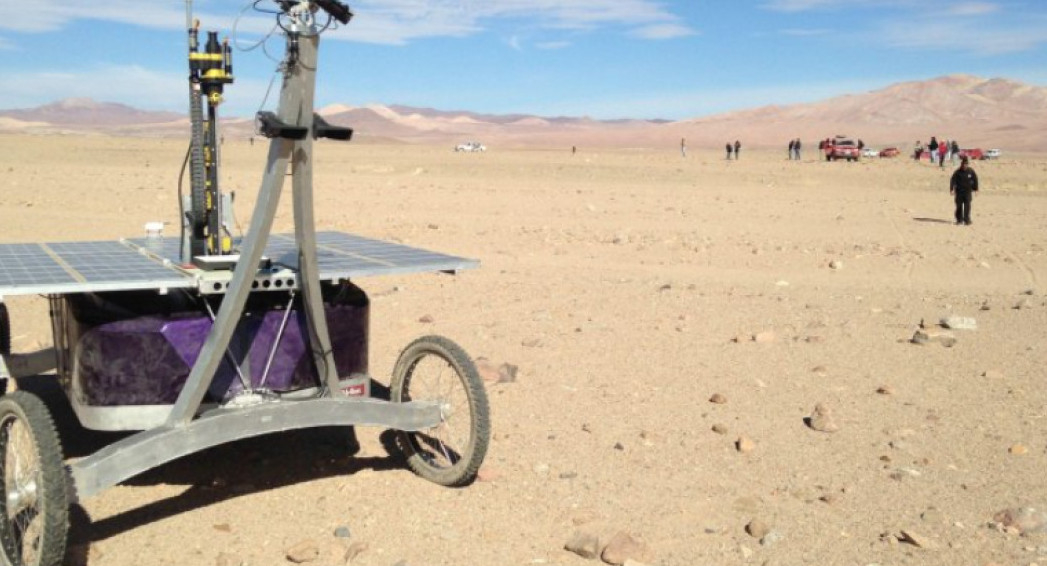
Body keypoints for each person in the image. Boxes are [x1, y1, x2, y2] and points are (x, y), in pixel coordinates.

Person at [950, 156, 979, 225]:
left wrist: (976, 189)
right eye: (963, 164)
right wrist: (951, 189)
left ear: (967, 164)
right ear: (961, 164)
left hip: (968, 192)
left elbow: (975, 180)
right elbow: (952, 180)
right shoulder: (957, 172)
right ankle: (959, 220)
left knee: (967, 206)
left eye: (966, 164)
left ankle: (967, 220)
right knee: (959, 206)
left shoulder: (971, 171)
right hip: (959, 192)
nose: (964, 166)